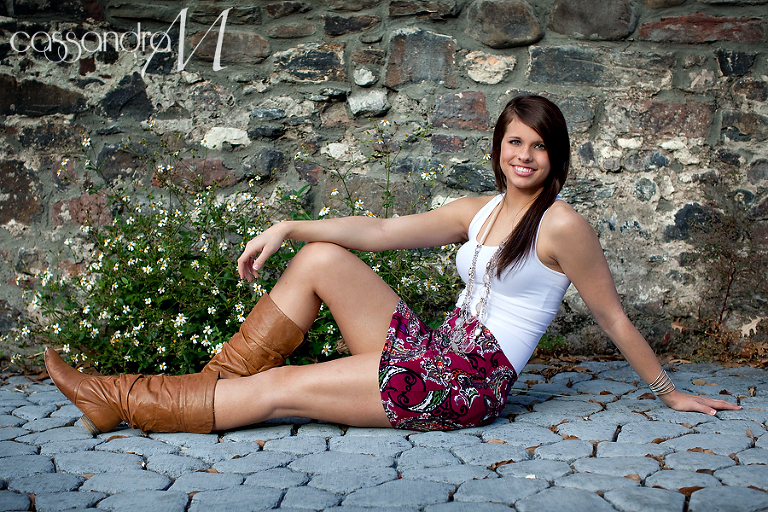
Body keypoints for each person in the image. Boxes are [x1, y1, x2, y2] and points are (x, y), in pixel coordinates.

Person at [45, 95, 740, 435]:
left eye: (538, 146)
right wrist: (287, 226)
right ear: (498, 148)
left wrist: (668, 392)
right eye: (514, 142)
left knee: (282, 387)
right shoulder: (479, 209)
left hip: (468, 384)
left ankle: (121, 399)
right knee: (321, 256)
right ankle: (207, 387)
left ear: (554, 156)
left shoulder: (561, 225)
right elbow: (378, 232)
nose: (524, 156)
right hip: (437, 351)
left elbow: (612, 316)